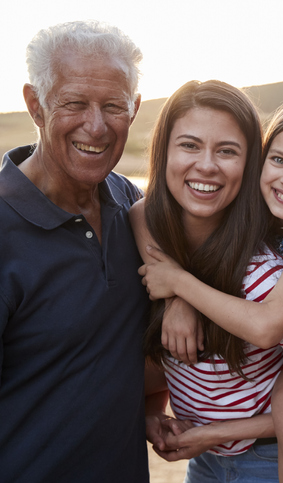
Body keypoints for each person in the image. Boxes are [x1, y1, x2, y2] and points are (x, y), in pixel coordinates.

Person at [133, 82, 283, 483]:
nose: (206, 165)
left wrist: (180, 285)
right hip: (208, 462)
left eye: (226, 150)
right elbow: (143, 212)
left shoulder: (274, 275)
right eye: (189, 145)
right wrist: (177, 298)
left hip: (271, 461)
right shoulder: (154, 235)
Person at [0, 21, 147, 483]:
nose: (97, 126)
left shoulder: (131, 204)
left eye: (113, 106)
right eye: (74, 103)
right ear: (35, 105)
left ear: (135, 109)